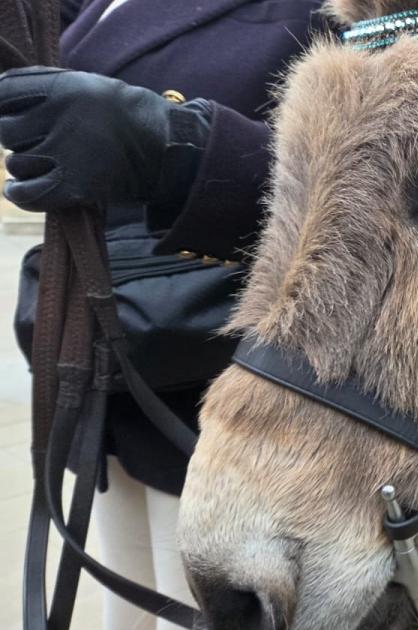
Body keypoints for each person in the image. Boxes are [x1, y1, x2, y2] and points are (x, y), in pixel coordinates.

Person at [0, 1, 327, 628]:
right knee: (124, 602)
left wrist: (177, 146)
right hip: (110, 366)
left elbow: (390, 174)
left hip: (230, 388)